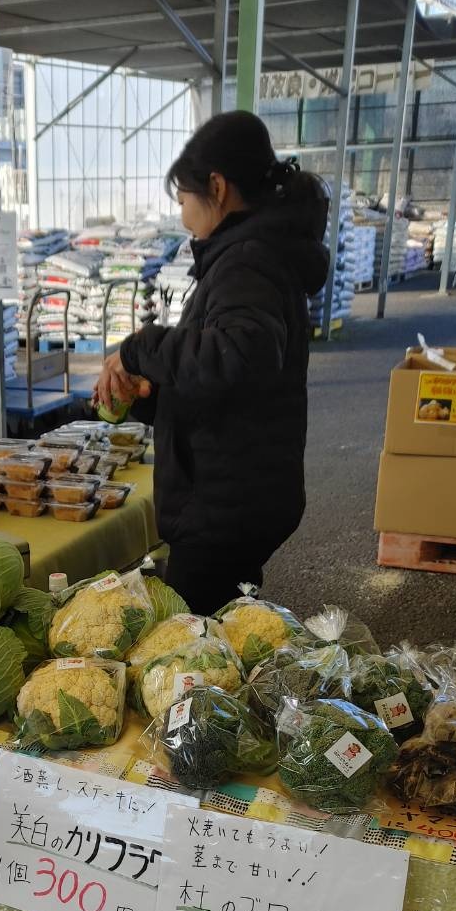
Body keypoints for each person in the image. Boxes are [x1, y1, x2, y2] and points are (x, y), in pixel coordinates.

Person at [94, 111, 329, 614]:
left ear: (217, 187)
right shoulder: (255, 253)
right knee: (225, 628)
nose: (182, 217)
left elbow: (240, 355)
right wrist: (152, 394)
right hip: (242, 492)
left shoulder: (248, 259)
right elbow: (230, 376)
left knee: (193, 653)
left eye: (183, 200)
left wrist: (140, 348)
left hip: (227, 504)